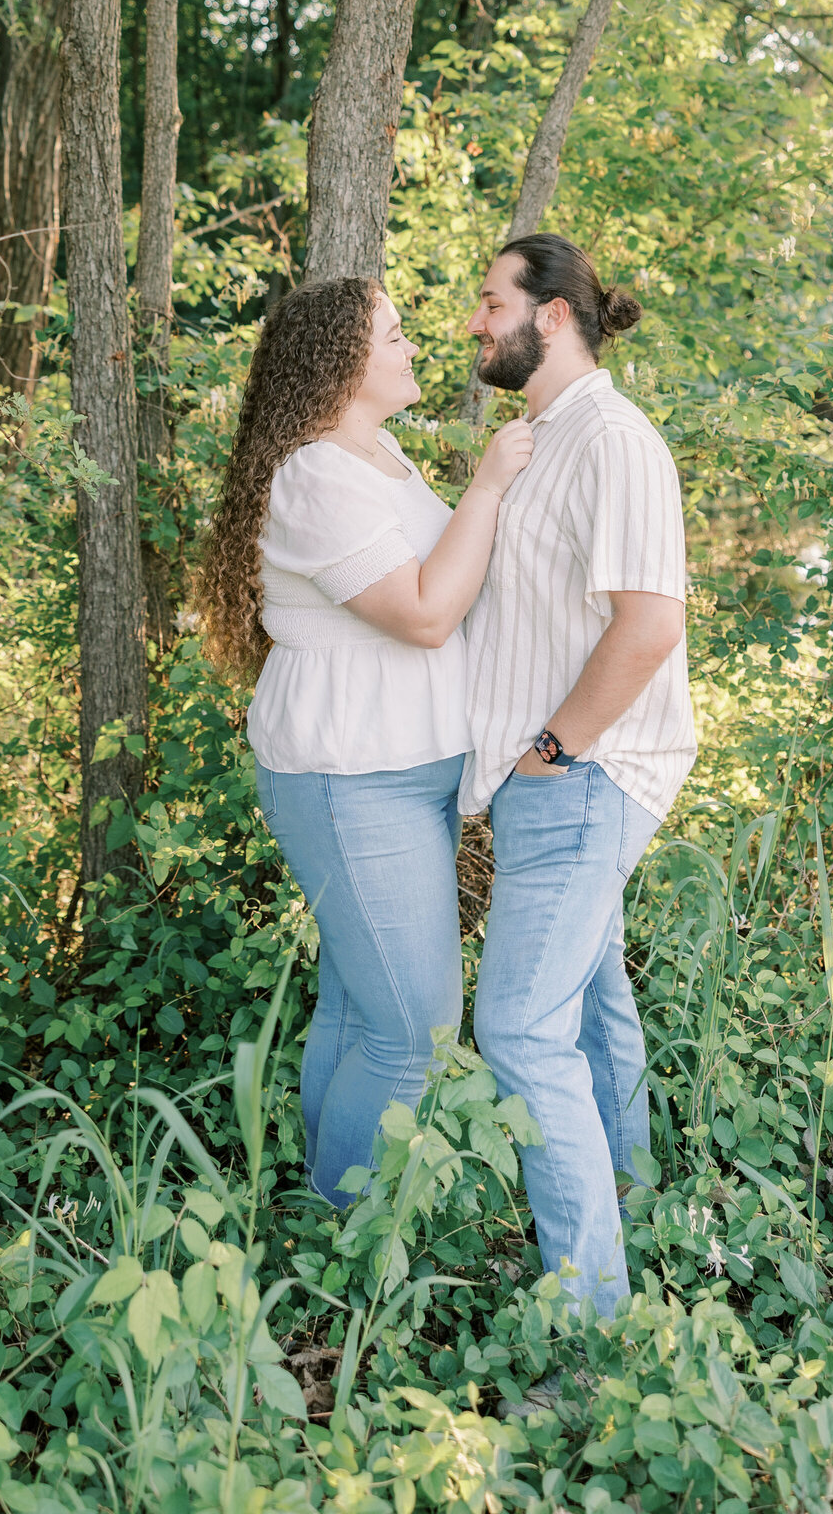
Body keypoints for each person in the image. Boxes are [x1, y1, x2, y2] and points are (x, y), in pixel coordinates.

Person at [197, 277, 533, 1205]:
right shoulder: (314, 476)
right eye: (393, 335)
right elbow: (424, 612)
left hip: (407, 770)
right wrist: (493, 481)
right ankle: (342, 1234)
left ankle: (315, 1206)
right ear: (343, 363)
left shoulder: (378, 452)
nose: (413, 346)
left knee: (359, 1006)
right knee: (416, 1031)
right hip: (350, 778)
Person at [464, 234, 694, 1317]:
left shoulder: (612, 437)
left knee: (517, 1028)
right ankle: (636, 1218)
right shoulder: (540, 436)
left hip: (583, 777)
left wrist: (552, 753)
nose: (473, 320)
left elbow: (648, 625)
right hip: (550, 780)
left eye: (489, 300)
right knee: (593, 1007)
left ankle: (589, 1323)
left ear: (551, 316)